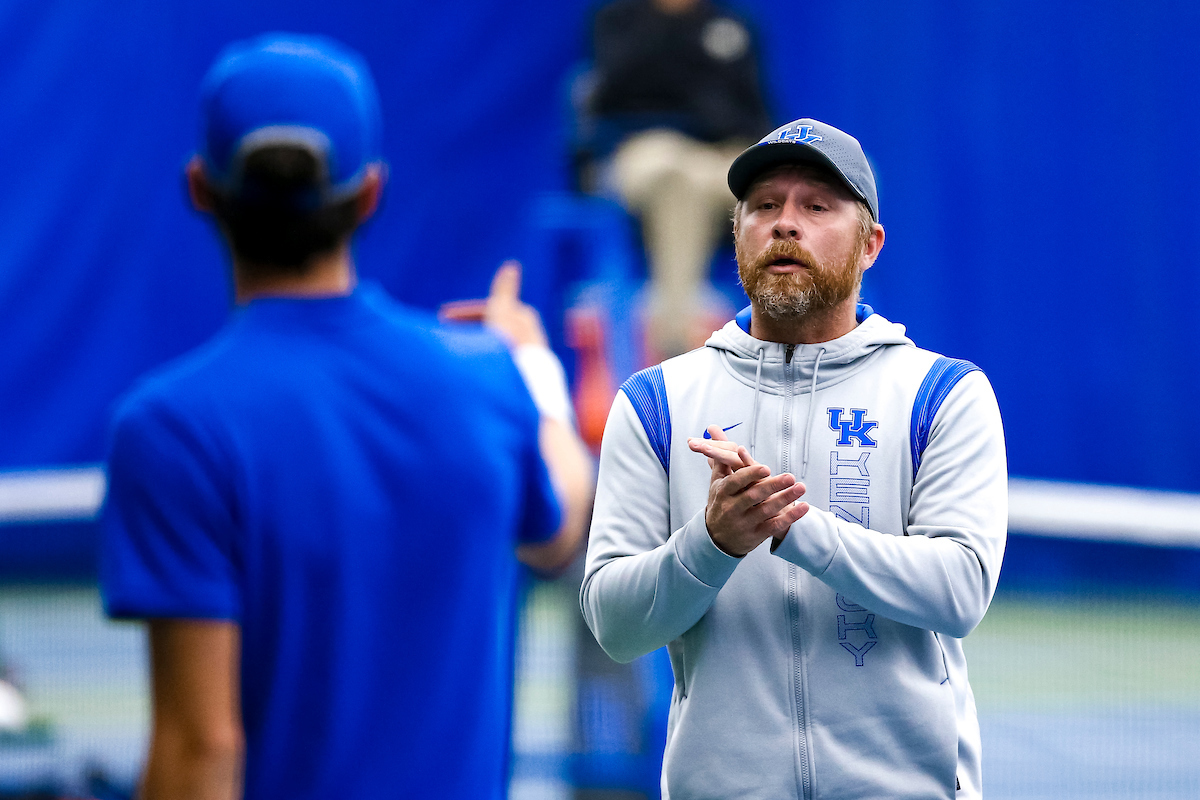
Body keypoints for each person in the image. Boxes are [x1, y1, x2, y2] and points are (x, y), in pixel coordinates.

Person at [100, 34, 593, 800]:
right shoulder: (487, 379)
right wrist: (533, 366)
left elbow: (201, 752)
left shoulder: (170, 428)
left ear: (200, 188)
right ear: (369, 193)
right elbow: (559, 530)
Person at [580, 118, 1007, 799]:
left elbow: (959, 592)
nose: (785, 224)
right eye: (764, 206)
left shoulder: (943, 393)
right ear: (737, 233)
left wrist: (794, 529)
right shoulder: (656, 402)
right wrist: (711, 544)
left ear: (871, 246)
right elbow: (614, 625)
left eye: (816, 206)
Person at [584, 0, 771, 359]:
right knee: (677, 178)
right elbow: (611, 96)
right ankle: (675, 345)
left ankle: (787, 342)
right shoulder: (618, 21)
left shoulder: (731, 25)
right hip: (644, 149)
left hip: (718, 155)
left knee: (768, 185)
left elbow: (757, 111)